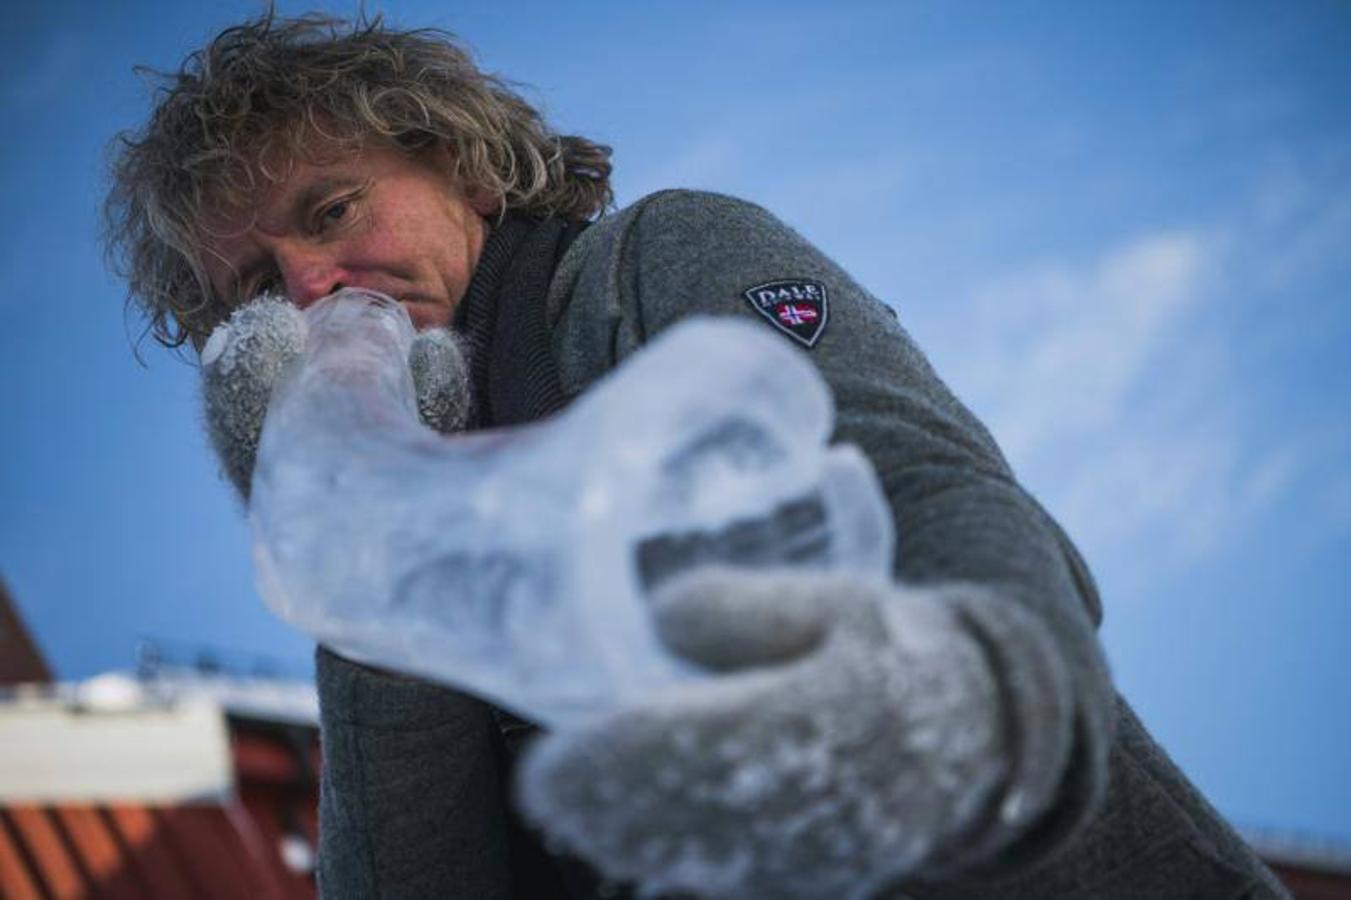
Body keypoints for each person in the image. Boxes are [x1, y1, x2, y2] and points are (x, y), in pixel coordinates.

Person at [104, 12, 1290, 900]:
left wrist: (972, 684)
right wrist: (365, 577)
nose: (312, 286)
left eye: (331, 212)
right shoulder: (363, 566)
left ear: (458, 164)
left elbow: (912, 471)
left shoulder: (644, 267)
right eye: (257, 286)